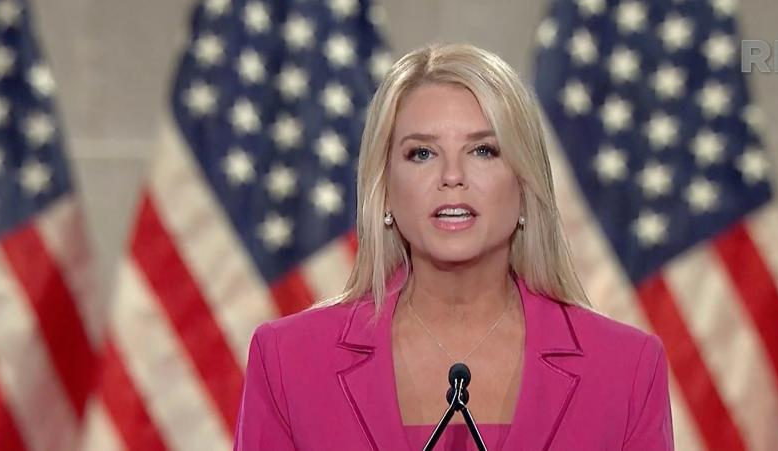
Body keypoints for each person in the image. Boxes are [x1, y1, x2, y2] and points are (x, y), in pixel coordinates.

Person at [233, 43, 673, 450]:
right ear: (384, 190)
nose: (451, 176)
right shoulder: (288, 364)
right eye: (421, 154)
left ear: (525, 182)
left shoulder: (625, 371)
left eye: (483, 150)